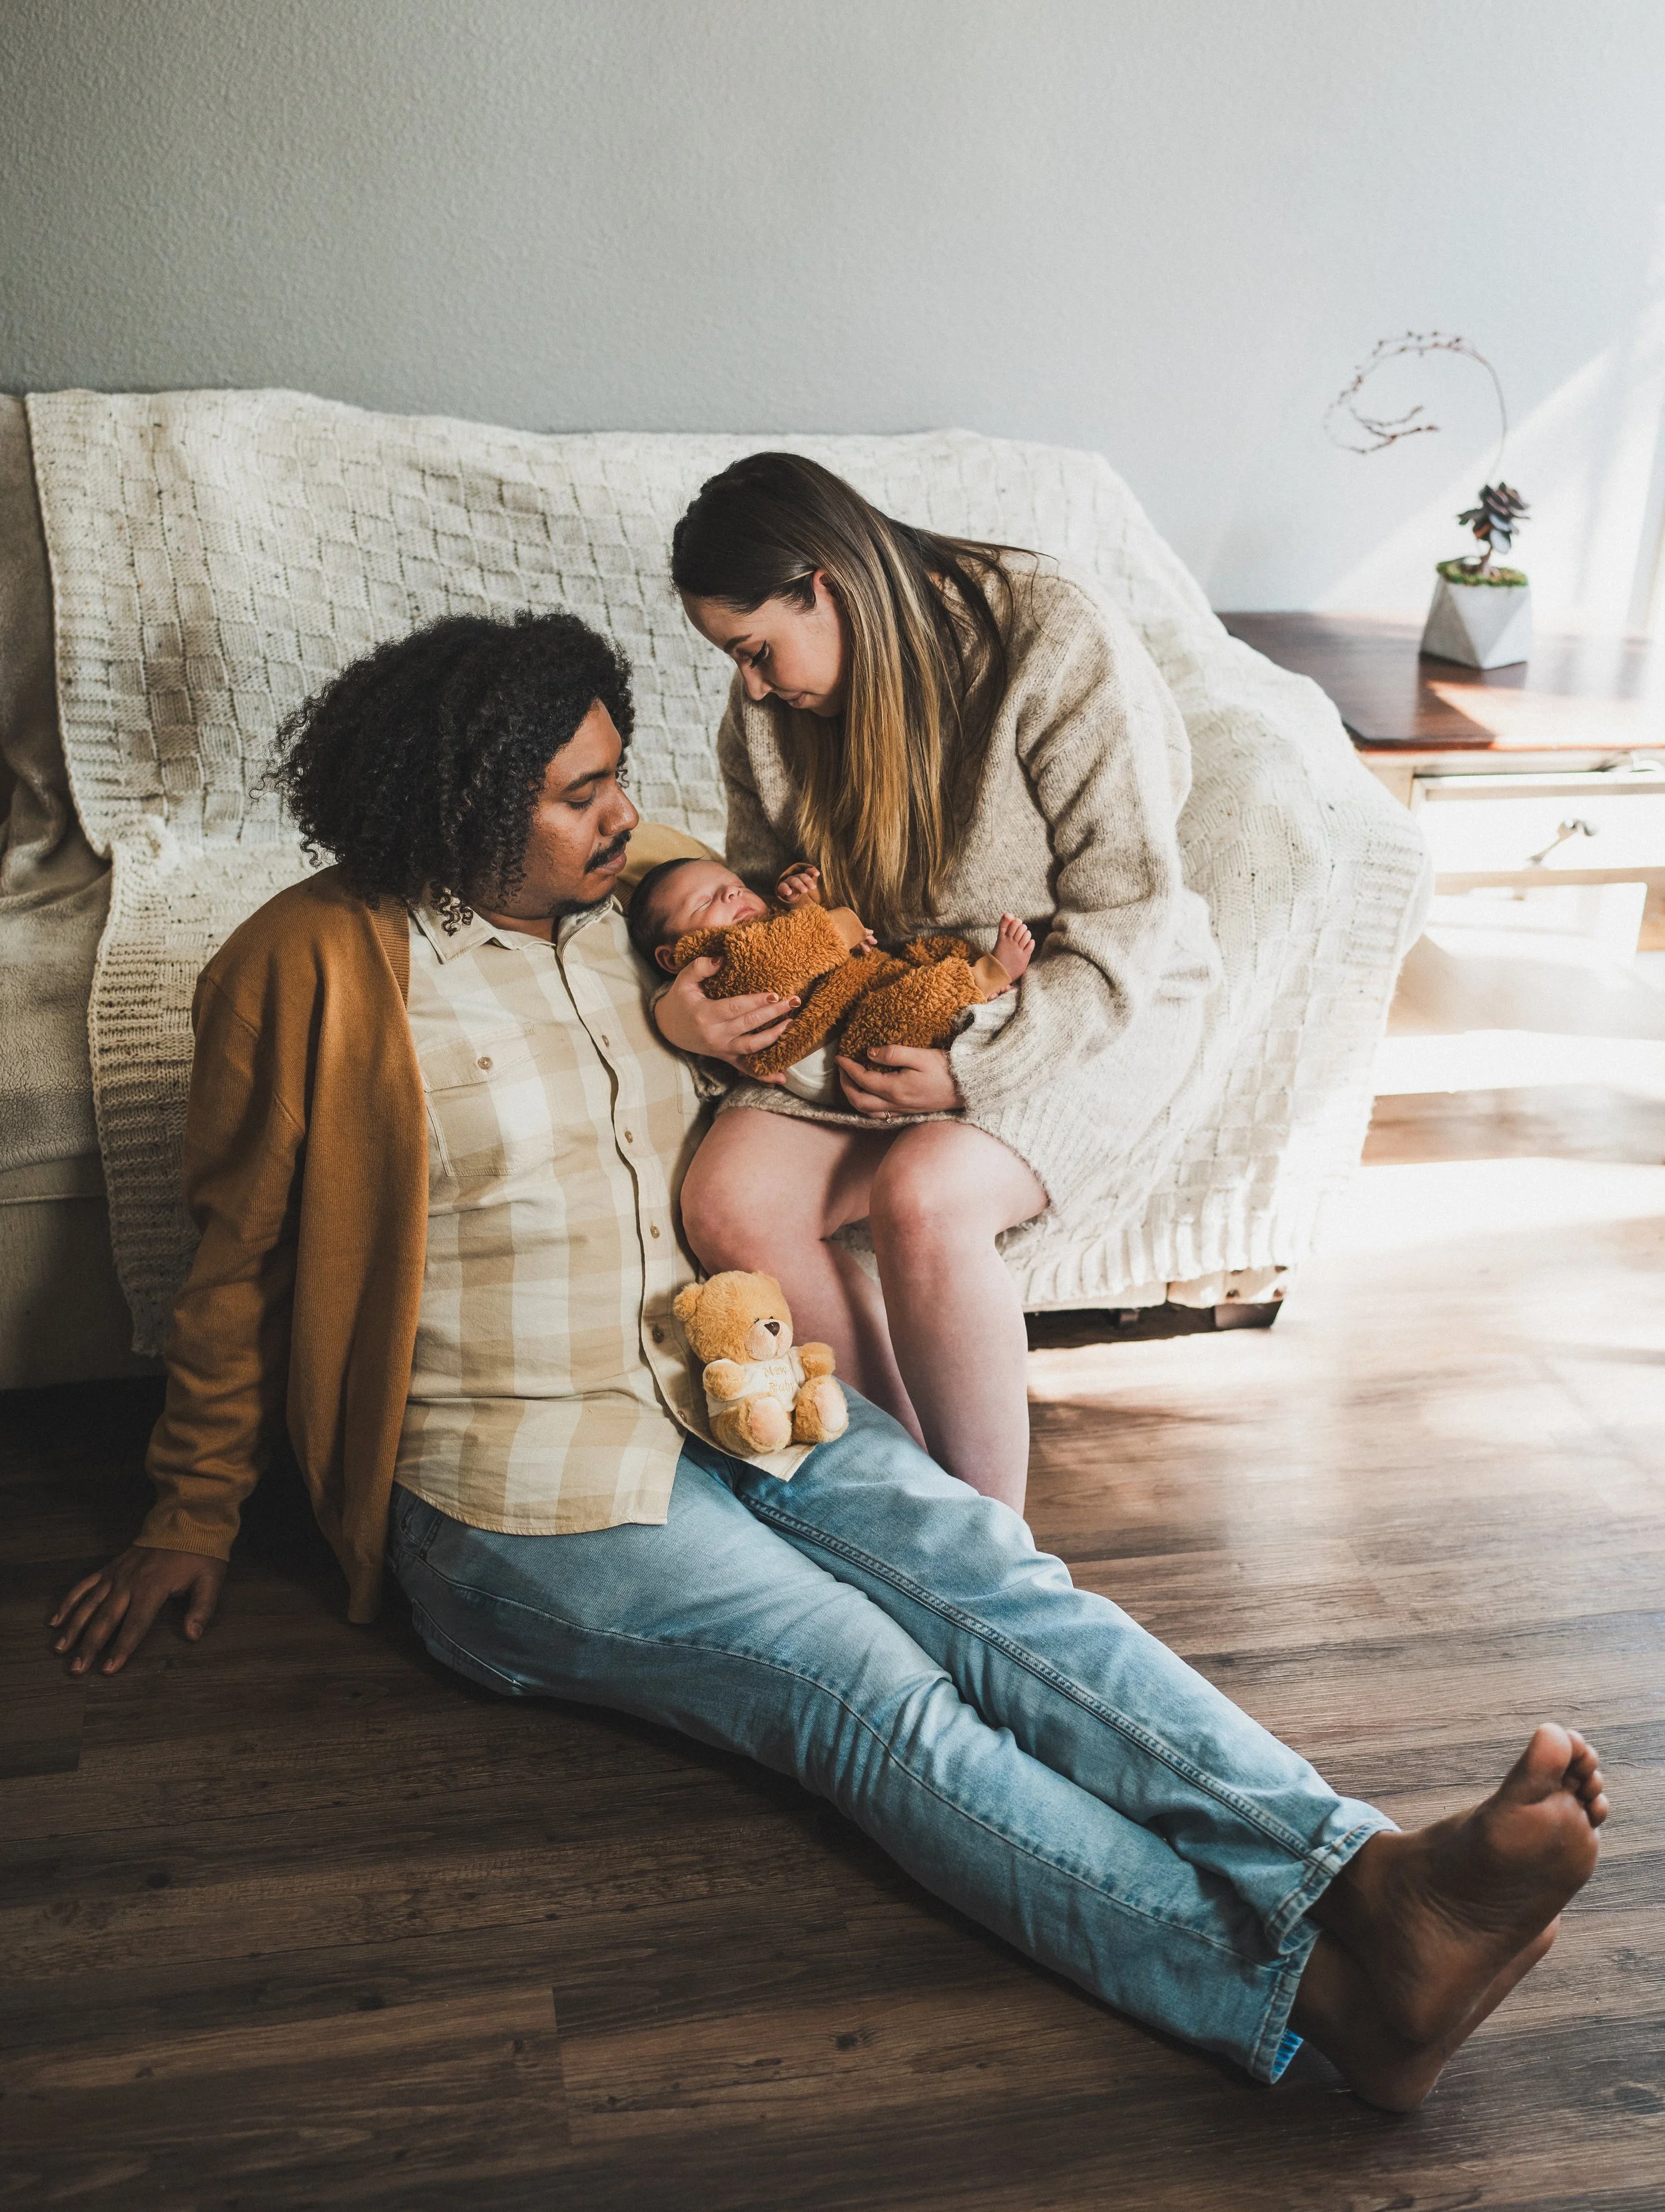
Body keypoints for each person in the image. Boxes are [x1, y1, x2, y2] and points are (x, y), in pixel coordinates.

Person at [50, 609, 1607, 2115]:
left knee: (995, 1581)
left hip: (742, 1388)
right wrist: (187, 1514)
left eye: (622, 774)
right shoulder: (301, 970)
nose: (628, 813)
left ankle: (1366, 1873)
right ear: (459, 804)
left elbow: (830, 935)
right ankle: (1324, 2003)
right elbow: (238, 1262)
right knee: (873, 1688)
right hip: (518, 1492)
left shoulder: (641, 912)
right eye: (582, 790)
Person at [657, 452, 1220, 1513]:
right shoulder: (773, 717)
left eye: (755, 649)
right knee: (728, 1200)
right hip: (885, 998)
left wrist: (977, 1067)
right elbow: (777, 908)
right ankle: (914, 1513)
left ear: (822, 584)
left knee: (926, 1192)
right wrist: (697, 1007)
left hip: (1078, 992)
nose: (753, 686)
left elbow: (1128, 910)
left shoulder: (1048, 634)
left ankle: (995, 1552)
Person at [626, 850, 1033, 1106]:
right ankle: (985, 978)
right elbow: (799, 948)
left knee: (922, 959)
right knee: (898, 1007)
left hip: (849, 1004)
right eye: (704, 902)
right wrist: (837, 926)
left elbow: (805, 940)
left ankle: (971, 993)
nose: (733, 895)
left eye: (736, 886)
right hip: (845, 1059)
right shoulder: (719, 966)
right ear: (671, 957)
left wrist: (801, 896)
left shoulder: (764, 927)